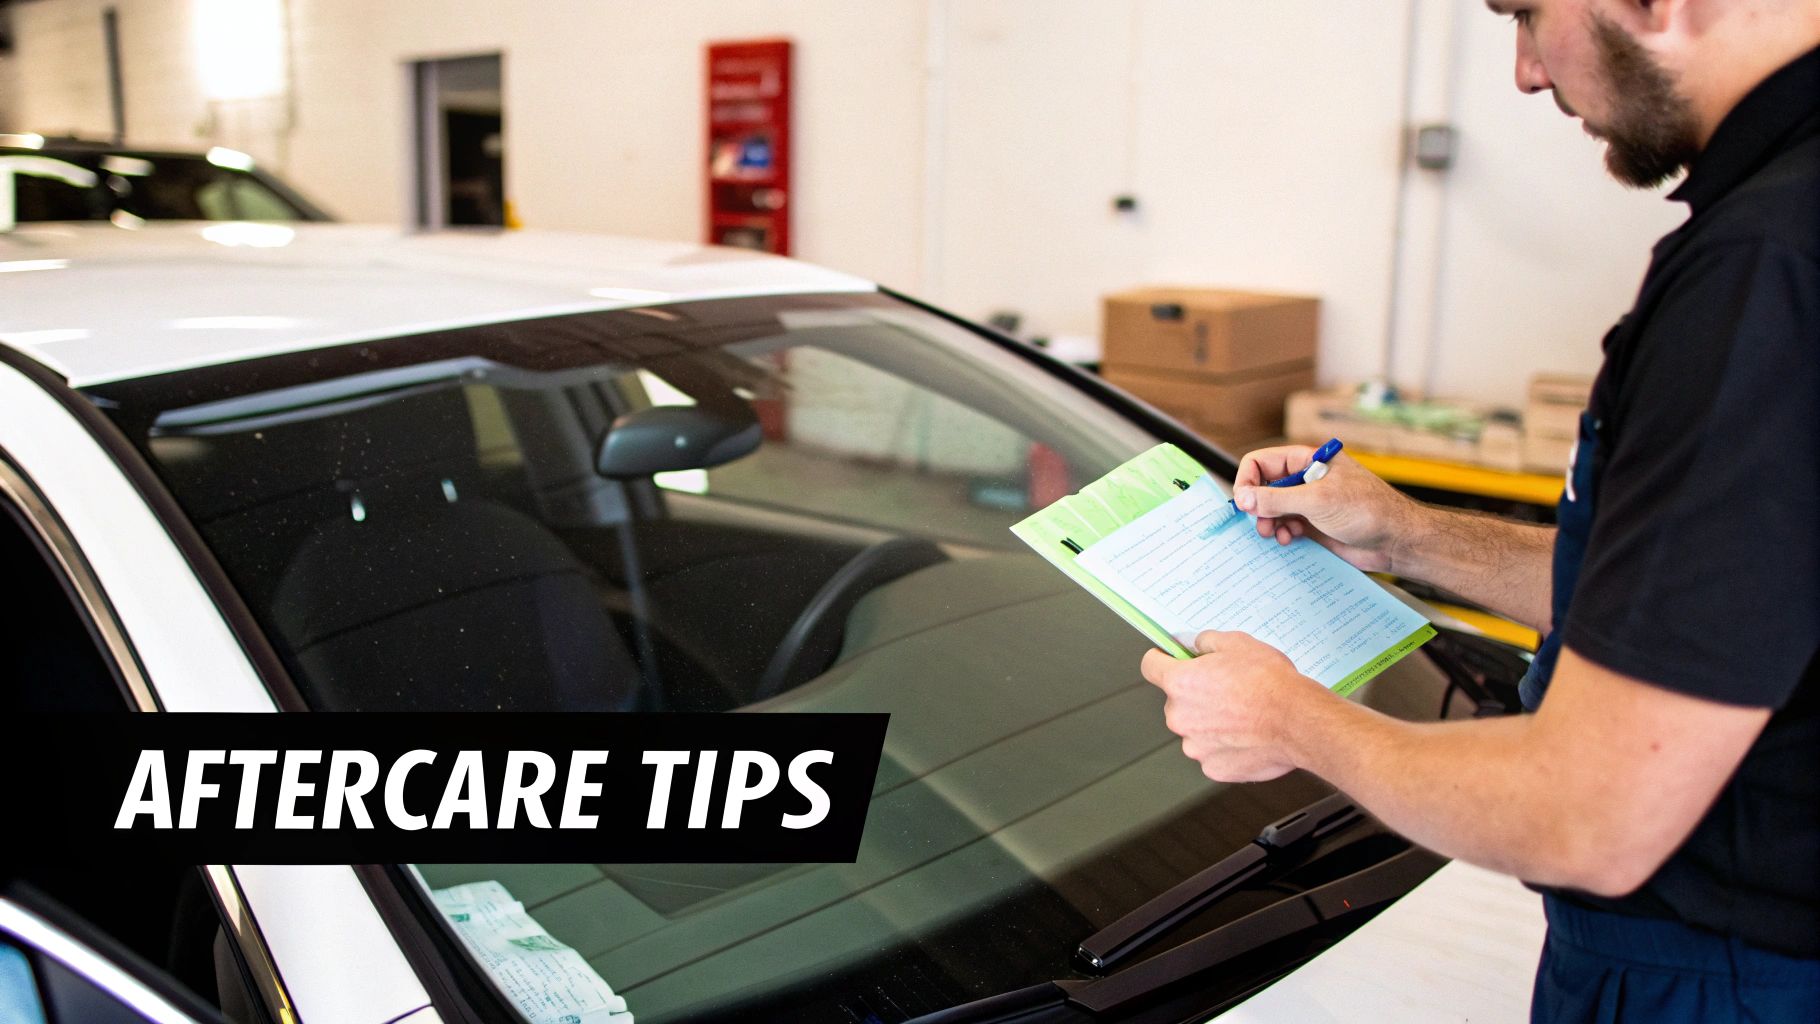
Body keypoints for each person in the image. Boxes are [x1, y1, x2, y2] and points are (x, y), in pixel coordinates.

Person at [1140, 1, 1820, 1020]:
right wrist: (1403, 533)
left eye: (1526, 15)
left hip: (1718, 973)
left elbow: (1591, 814)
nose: (1523, 74)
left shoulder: (1760, 271)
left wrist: (1289, 719)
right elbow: (1707, 607)